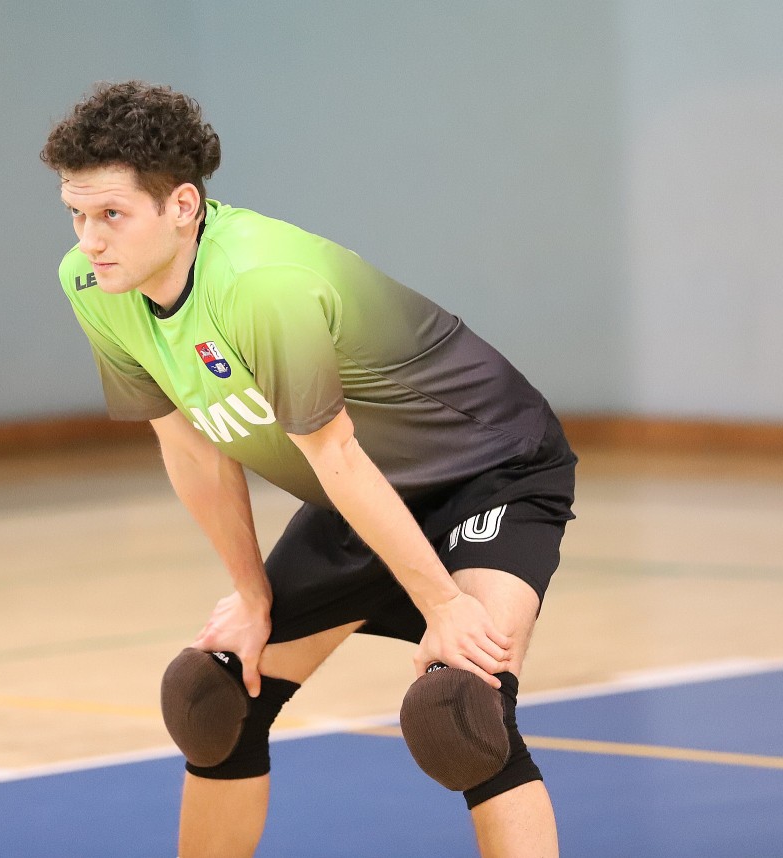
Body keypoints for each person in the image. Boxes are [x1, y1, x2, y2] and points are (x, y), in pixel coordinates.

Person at [41, 81, 576, 858]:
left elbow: (336, 453)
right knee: (213, 701)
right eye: (76, 214)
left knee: (461, 712)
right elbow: (190, 446)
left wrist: (445, 605)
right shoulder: (95, 286)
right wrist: (252, 593)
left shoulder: (260, 285)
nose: (90, 240)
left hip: (490, 470)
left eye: (112, 215)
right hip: (361, 491)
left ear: (183, 205)